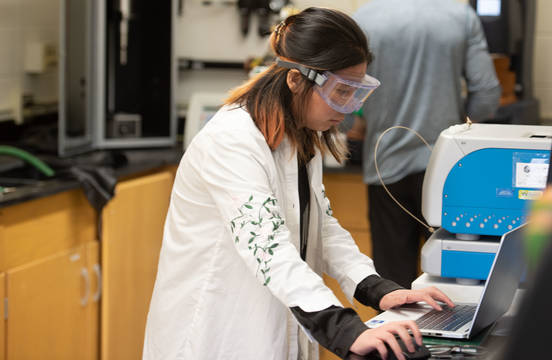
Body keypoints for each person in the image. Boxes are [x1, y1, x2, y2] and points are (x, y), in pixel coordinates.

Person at [142, 7, 454, 360]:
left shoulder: (300, 135)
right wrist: (346, 330)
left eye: (358, 92)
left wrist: (376, 289)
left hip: (271, 328)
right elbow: (268, 247)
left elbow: (324, 229)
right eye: (341, 92)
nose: (350, 107)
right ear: (295, 80)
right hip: (215, 334)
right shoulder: (232, 140)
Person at [351, 0, 502, 288]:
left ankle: (394, 333)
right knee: (452, 279)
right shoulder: (461, 16)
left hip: (386, 167)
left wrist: (355, 124)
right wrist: (458, 127)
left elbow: (344, 90)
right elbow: (487, 93)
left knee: (392, 286)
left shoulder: (364, 18)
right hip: (448, 168)